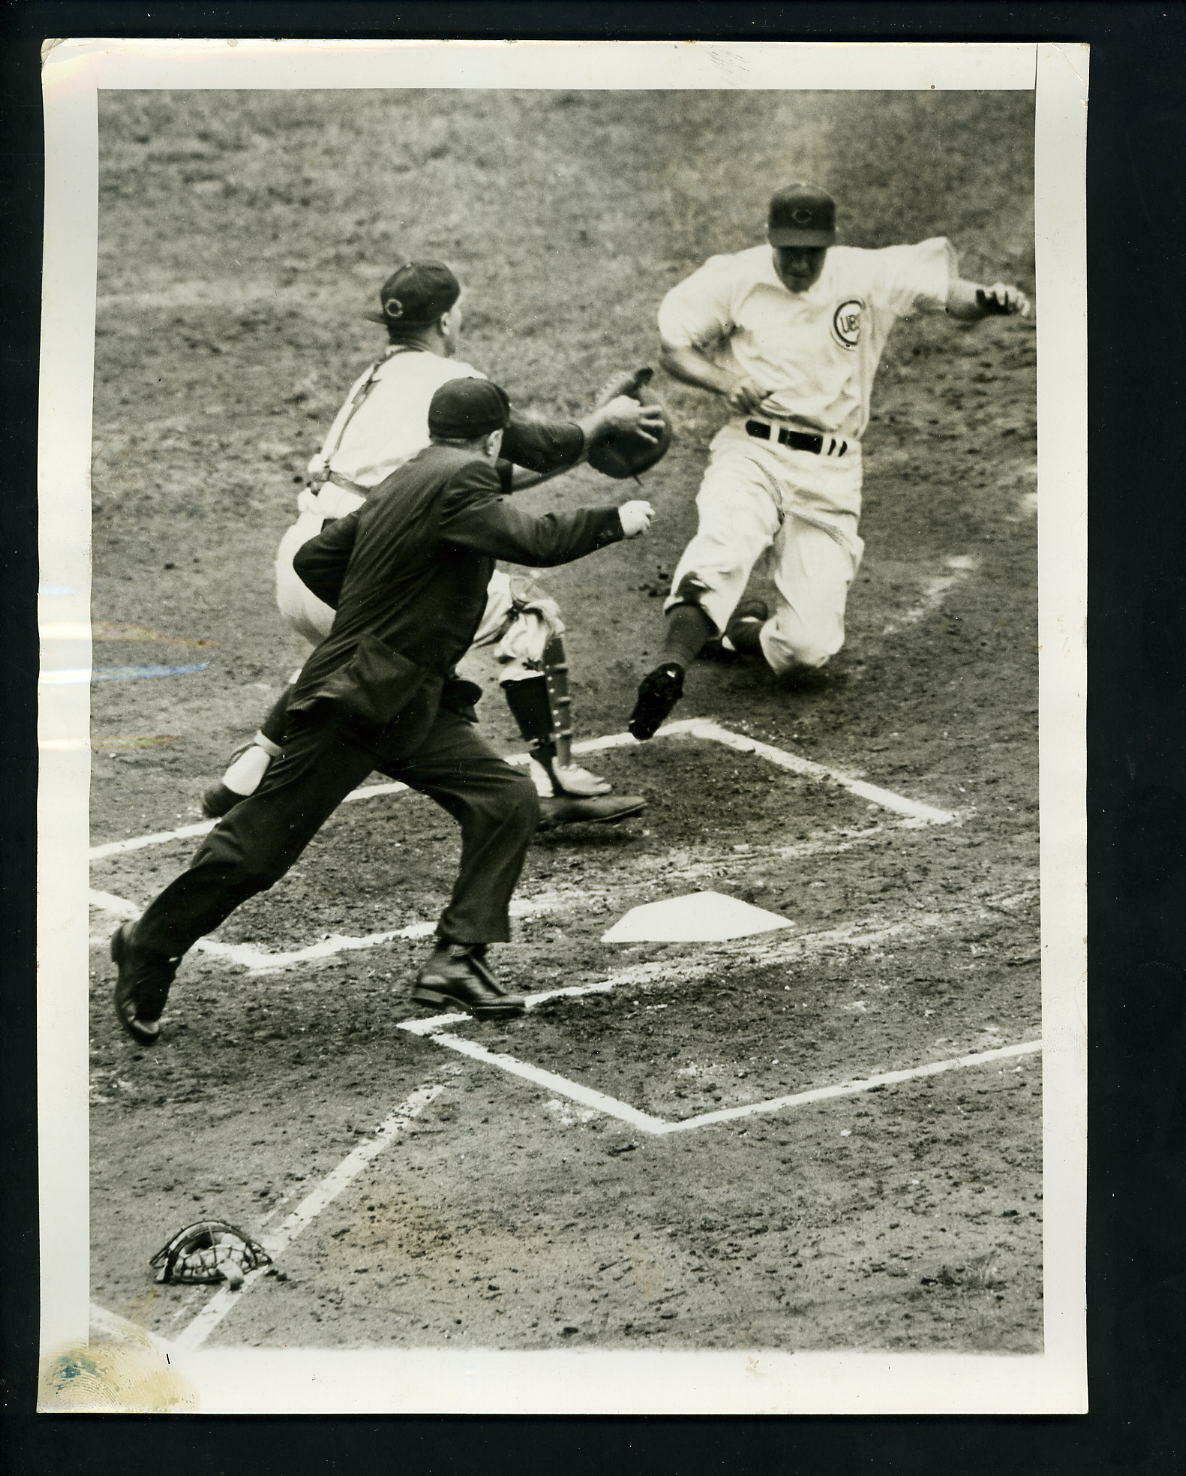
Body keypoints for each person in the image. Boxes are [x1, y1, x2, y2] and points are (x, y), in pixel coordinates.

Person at [111, 377, 656, 1046]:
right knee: (256, 850)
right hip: (355, 702)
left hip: (406, 698)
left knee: (504, 796)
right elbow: (535, 540)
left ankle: (458, 959)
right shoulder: (464, 479)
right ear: (493, 436)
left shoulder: (406, 478)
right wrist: (615, 520)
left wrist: (378, 608)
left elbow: (317, 558)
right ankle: (148, 944)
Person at [204, 259, 665, 825]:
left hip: (306, 562)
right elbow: (536, 449)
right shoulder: (444, 381)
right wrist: (602, 422)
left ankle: (252, 762)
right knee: (527, 613)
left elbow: (482, 476)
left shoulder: (376, 376)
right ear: (446, 320)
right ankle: (552, 782)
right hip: (368, 566)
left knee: (362, 647)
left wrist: (579, 449)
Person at [628, 182, 1032, 740]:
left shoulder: (865, 275)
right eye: (787, 249)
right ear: (771, 240)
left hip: (831, 473)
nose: (798, 263)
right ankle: (668, 668)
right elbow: (674, 348)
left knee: (805, 651)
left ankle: (733, 635)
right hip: (753, 450)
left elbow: (949, 293)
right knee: (723, 545)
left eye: (809, 251)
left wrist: (988, 300)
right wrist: (725, 382)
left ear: (828, 244)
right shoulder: (735, 278)